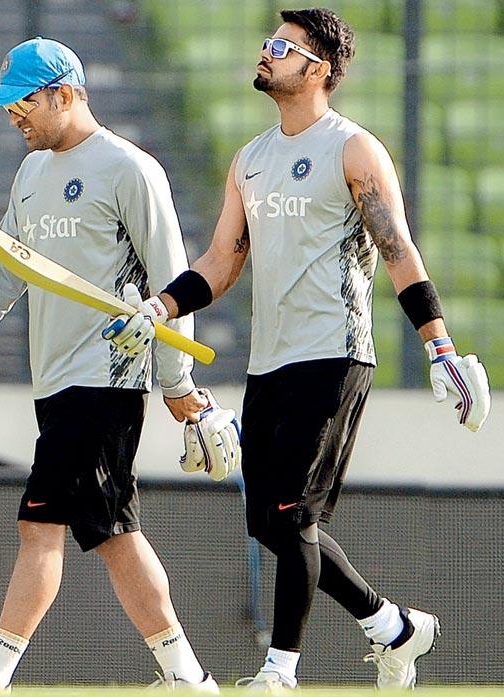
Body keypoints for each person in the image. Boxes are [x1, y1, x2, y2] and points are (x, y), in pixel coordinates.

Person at [104, 7, 491, 692]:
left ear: (317, 68)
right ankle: (393, 626)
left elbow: (398, 250)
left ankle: (279, 669)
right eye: (267, 43)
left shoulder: (354, 150)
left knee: (292, 511)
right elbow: (223, 259)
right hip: (269, 361)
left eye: (281, 46)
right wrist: (160, 305)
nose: (266, 52)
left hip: (337, 352)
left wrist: (440, 348)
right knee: (273, 521)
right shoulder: (249, 160)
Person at [0, 37, 222, 693]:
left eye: (22, 102)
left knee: (41, 522)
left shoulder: (129, 169)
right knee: (113, 532)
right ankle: (185, 674)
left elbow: (175, 280)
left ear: (65, 92)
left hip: (106, 378)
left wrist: (176, 380)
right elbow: (0, 275)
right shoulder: (30, 176)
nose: (13, 116)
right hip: (56, 381)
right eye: (7, 106)